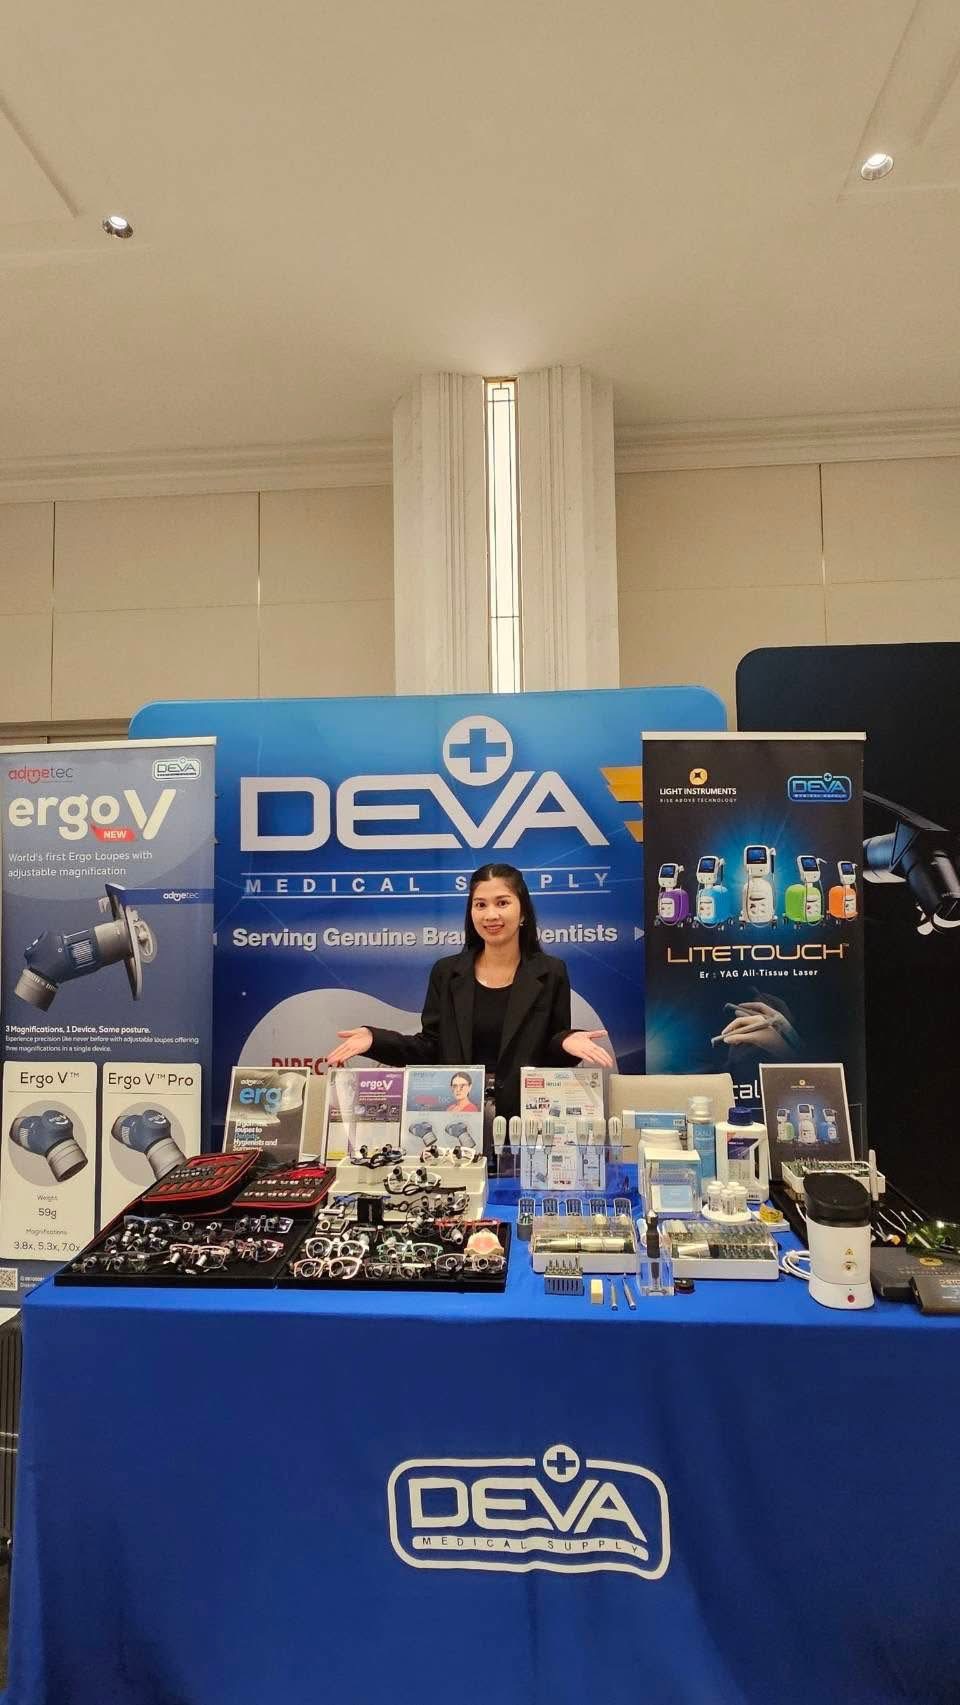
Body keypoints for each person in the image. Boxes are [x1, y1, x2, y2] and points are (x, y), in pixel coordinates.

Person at [326, 863, 613, 1125]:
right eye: (480, 905)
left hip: (525, 1122)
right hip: (456, 1119)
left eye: (502, 903)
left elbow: (551, 1057)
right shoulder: (447, 972)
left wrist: (567, 1041)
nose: (491, 915)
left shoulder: (550, 972)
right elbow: (430, 1048)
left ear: (523, 912)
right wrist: (375, 1039)